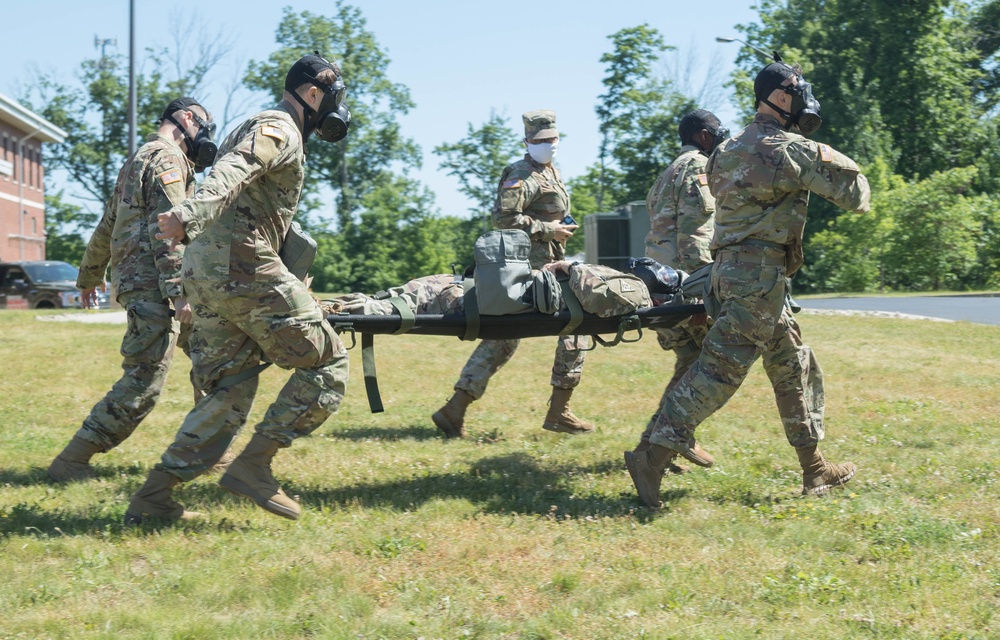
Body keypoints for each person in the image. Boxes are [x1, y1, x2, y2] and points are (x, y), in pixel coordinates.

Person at [626, 57, 871, 507]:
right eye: (796, 94)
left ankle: (814, 469)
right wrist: (819, 149)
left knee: (791, 363)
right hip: (758, 277)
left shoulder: (726, 148)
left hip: (734, 274)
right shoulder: (787, 149)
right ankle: (651, 456)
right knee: (719, 371)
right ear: (780, 98)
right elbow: (857, 195)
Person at [126, 54, 352, 524]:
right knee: (328, 361)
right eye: (333, 97)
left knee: (229, 388)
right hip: (242, 268)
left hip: (206, 274)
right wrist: (190, 213)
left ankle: (154, 498)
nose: (336, 108)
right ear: (313, 95)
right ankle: (254, 465)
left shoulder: (259, 123)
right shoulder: (279, 128)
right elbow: (235, 170)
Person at [47, 97, 217, 482]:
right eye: (205, 126)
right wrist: (179, 291)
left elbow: (109, 222)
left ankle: (212, 455)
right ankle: (72, 460)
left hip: (144, 281)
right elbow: (168, 228)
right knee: (145, 379)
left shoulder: (137, 159)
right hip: (156, 285)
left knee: (213, 361)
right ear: (187, 119)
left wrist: (89, 274)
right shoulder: (168, 158)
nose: (206, 137)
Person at [431, 110, 592, 439]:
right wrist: (550, 230)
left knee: (504, 338)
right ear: (527, 142)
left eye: (554, 139)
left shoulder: (551, 173)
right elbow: (503, 219)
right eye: (542, 140)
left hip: (549, 264)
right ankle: (559, 411)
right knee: (578, 323)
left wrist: (562, 227)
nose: (550, 145)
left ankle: (454, 409)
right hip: (528, 270)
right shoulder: (519, 174)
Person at [633, 110, 728, 464]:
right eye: (718, 133)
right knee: (716, 364)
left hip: (661, 288)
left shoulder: (666, 173)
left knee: (691, 361)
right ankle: (673, 437)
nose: (721, 138)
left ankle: (654, 446)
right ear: (704, 136)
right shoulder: (697, 168)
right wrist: (705, 296)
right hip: (683, 291)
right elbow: (694, 239)